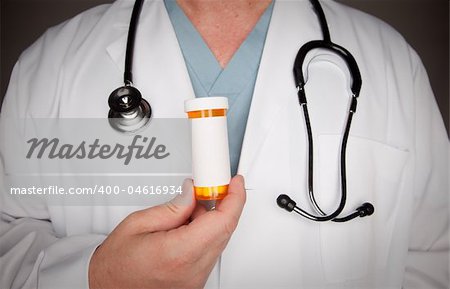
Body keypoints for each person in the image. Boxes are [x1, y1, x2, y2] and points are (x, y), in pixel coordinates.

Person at [0, 0, 448, 288]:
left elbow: (436, 258)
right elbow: (7, 239)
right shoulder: (52, 65)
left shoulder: (389, 62)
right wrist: (93, 277)